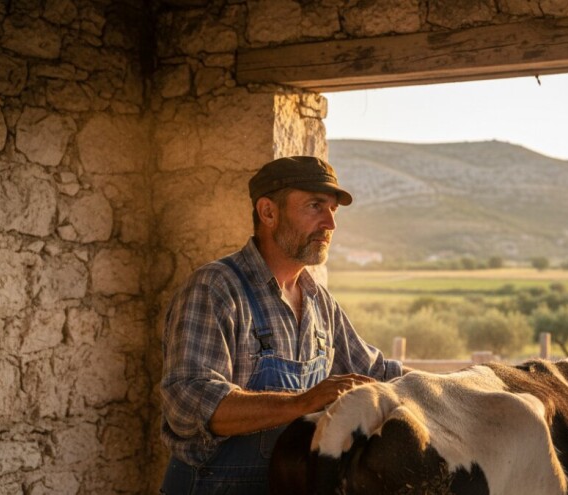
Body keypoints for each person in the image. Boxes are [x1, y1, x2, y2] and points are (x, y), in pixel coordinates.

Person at [159, 156, 405, 494]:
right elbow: (189, 402)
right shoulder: (215, 288)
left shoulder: (318, 301)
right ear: (268, 212)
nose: (330, 224)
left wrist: (463, 388)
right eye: (315, 206)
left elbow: (377, 372)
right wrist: (303, 402)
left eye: (333, 210)